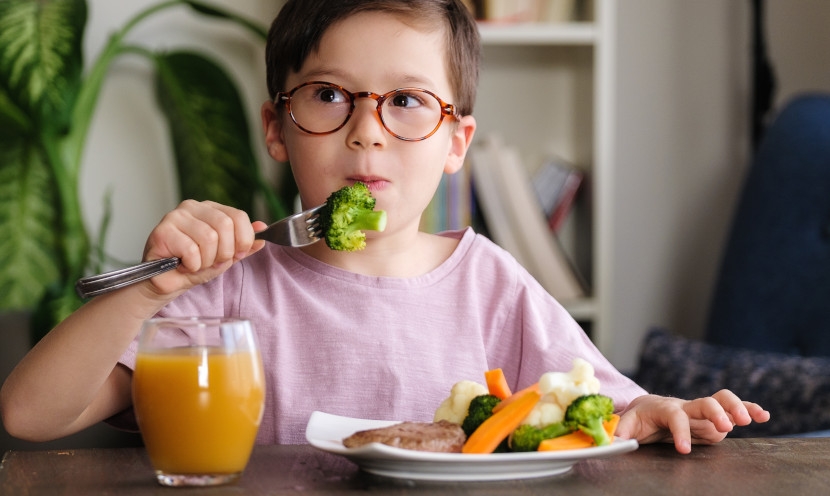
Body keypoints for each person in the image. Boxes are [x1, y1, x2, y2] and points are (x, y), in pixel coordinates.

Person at [0, 0, 768, 454]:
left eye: (405, 101)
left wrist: (659, 413)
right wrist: (147, 294)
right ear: (277, 127)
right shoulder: (224, 287)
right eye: (330, 95)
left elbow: (608, 411)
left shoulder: (491, 283)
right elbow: (30, 415)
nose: (367, 132)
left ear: (455, 142)